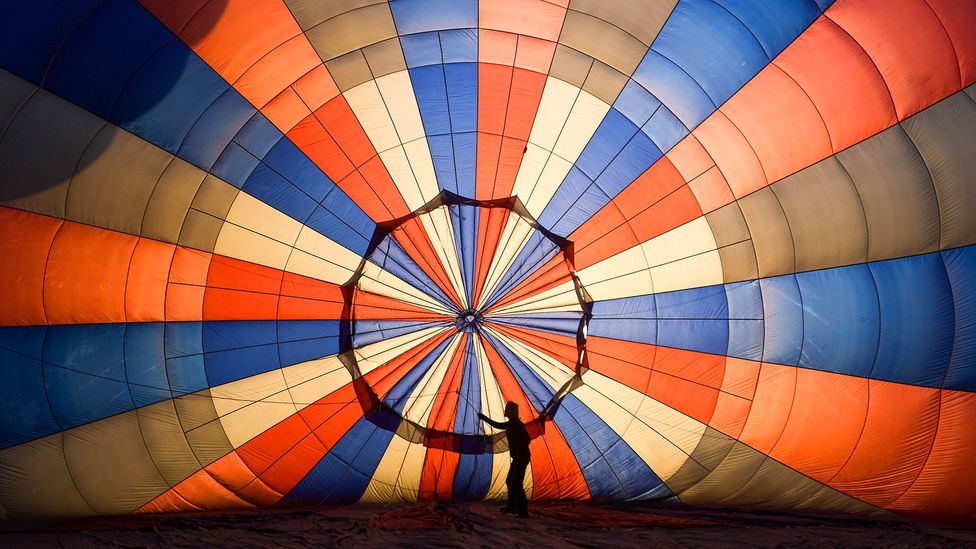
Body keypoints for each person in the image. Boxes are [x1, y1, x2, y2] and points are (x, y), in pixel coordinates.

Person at [478, 402, 531, 518]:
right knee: (509, 481)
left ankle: (523, 511)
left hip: (522, 456)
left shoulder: (517, 424)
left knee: (516, 483)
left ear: (512, 411)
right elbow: (498, 425)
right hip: (518, 457)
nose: (505, 410)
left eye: (507, 408)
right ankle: (512, 506)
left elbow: (527, 438)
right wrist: (483, 418)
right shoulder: (511, 424)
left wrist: (518, 449)